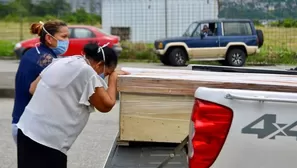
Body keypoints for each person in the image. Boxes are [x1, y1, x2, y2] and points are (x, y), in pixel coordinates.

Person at [16, 42, 129, 168]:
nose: (104, 77)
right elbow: (106, 105)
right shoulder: (87, 72)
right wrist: (113, 78)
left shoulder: (64, 61)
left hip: (26, 130)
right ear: (100, 64)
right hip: (48, 142)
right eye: (106, 73)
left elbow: (33, 88)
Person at [11, 20, 69, 144]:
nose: (67, 40)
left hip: (20, 121)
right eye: (64, 37)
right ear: (49, 38)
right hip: (31, 127)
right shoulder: (46, 60)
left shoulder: (33, 52)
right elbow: (36, 89)